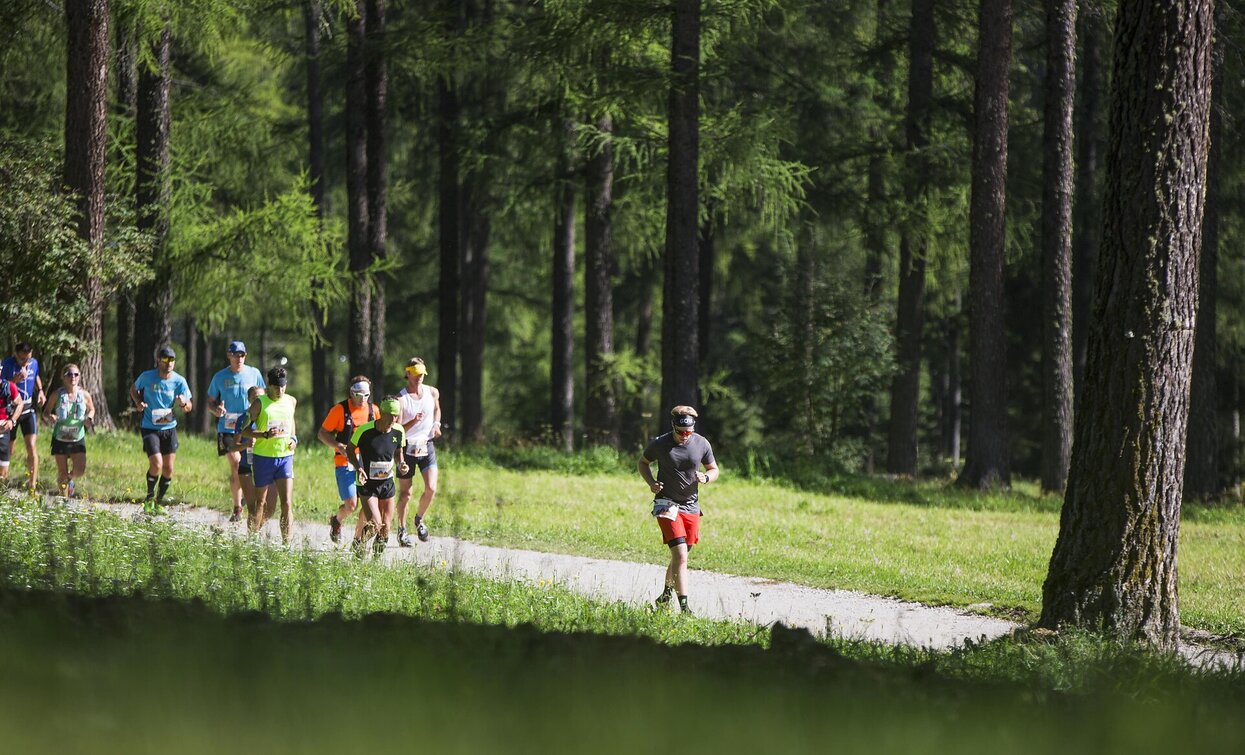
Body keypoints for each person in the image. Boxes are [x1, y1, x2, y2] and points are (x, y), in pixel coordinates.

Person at [637, 406, 719, 614]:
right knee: (681, 555)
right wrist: (651, 482)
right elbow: (643, 463)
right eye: (680, 432)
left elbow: (714, 468)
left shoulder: (702, 443)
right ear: (673, 426)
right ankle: (685, 609)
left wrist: (707, 477)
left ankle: (665, 596)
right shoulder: (660, 443)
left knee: (679, 557)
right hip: (666, 504)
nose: (684, 436)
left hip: (691, 506)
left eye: (688, 432)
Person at [206, 341, 266, 522]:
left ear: (245, 356)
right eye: (235, 355)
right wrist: (215, 410)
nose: (239, 358)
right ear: (228, 356)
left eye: (242, 355)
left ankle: (244, 500)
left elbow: (262, 396)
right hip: (227, 428)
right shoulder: (219, 377)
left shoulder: (254, 373)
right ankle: (237, 507)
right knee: (236, 464)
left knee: (247, 468)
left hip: (248, 427)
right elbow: (210, 401)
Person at [130, 346, 193, 510]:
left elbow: (189, 407)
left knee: (168, 469)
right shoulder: (147, 376)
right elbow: (133, 389)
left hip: (169, 428)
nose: (168, 363)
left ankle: (159, 501)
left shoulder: (179, 381)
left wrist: (183, 403)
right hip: (150, 427)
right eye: (165, 359)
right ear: (158, 360)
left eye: (171, 360)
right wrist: (138, 402)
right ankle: (149, 497)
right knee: (157, 464)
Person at [317, 376, 378, 543]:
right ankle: (336, 520)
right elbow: (322, 433)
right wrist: (338, 445)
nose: (362, 399)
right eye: (358, 395)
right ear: (351, 393)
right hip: (345, 462)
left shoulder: (374, 411)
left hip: (366, 464)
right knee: (351, 504)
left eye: (366, 395)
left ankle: (358, 539)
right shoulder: (339, 410)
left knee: (366, 503)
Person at [346, 396, 409, 556]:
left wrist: (401, 463)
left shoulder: (399, 430)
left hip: (387, 484)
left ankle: (375, 563)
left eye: (396, 415)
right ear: (381, 412)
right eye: (390, 415)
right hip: (367, 483)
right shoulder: (365, 430)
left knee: (386, 528)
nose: (393, 419)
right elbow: (350, 449)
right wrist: (358, 467)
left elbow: (398, 452)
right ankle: (359, 545)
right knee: (375, 524)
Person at [243, 366, 297, 542]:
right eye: (276, 387)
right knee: (261, 502)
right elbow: (245, 431)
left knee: (287, 503)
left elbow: (292, 423)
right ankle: (253, 540)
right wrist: (264, 434)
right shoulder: (260, 403)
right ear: (269, 385)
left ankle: (286, 544)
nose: (279, 390)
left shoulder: (291, 401)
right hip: (263, 458)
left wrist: (294, 439)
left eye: (282, 386)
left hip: (285, 457)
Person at [395, 357, 442, 547]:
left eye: (421, 374)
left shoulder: (432, 392)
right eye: (415, 374)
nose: (418, 378)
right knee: (406, 493)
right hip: (406, 448)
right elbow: (396, 429)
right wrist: (414, 421)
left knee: (431, 488)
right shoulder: (401, 399)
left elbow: (437, 409)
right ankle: (401, 528)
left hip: (426, 445)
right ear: (407, 374)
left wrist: (436, 424)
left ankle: (419, 519)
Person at [41, 364, 96, 498]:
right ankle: (64, 501)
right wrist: (50, 417)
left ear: (80, 376)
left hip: (77, 437)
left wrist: (89, 418)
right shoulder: (57, 394)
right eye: (69, 374)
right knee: (62, 472)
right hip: (61, 437)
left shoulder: (84, 394)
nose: (73, 377)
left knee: (80, 470)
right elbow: (45, 412)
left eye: (76, 374)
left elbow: (92, 409)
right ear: (63, 377)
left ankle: (69, 479)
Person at [0, 342, 45, 489]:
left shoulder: (34, 363)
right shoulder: (7, 364)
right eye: (21, 359)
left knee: (32, 446)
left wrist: (41, 391)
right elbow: (3, 386)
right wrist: (15, 381)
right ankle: (3, 481)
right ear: (15, 354)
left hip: (27, 409)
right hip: (11, 411)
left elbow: (36, 376)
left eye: (27, 358)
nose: (24, 362)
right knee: (9, 449)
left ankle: (32, 486)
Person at [0, 376, 27, 484]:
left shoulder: (8, 386)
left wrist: (12, 420)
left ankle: (2, 492)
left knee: (4, 463)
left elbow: (20, 403)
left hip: (3, 428)